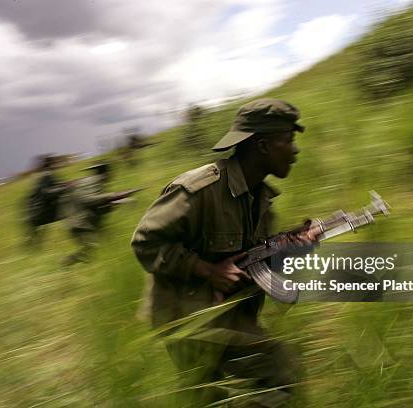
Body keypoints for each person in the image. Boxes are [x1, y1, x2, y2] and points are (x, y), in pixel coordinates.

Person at [131, 99, 317, 407]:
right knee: (261, 378)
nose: (295, 150)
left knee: (261, 382)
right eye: (288, 140)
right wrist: (207, 269)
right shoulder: (199, 189)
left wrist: (290, 249)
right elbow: (145, 242)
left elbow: (250, 262)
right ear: (262, 146)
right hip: (183, 315)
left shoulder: (261, 198)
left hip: (225, 313)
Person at [62, 163, 116, 266]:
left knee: (105, 242)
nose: (112, 175)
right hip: (80, 222)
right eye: (110, 173)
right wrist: (109, 196)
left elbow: (99, 204)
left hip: (83, 220)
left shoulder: (93, 181)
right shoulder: (95, 182)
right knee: (91, 249)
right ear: (105, 173)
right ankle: (66, 262)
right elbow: (88, 200)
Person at [25, 154, 67, 247]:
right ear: (50, 164)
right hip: (40, 211)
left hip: (35, 211)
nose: (57, 164)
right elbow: (47, 192)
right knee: (69, 209)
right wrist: (64, 188)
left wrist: (65, 184)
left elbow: (55, 184)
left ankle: (32, 241)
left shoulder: (44, 174)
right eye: (55, 162)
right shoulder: (47, 175)